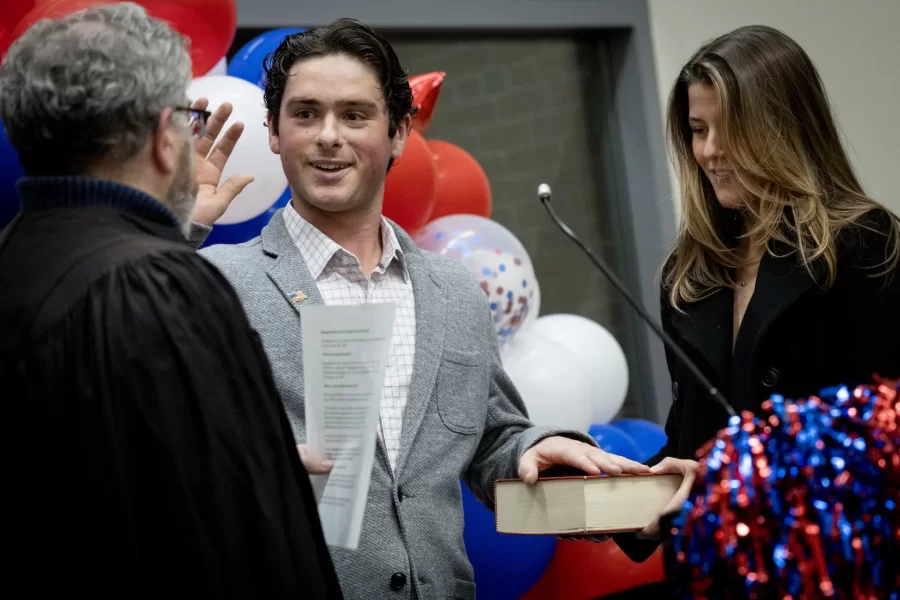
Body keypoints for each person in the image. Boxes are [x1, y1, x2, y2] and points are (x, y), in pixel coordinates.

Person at [190, 18, 649, 599]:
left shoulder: (453, 291)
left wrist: (531, 448)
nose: (329, 135)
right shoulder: (213, 282)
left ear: (399, 134)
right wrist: (175, 230)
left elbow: (490, 439)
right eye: (305, 114)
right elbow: (124, 410)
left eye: (355, 115)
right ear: (276, 133)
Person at [0, 5, 342, 598]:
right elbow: (220, 536)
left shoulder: (17, 261)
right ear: (164, 138)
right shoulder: (158, 289)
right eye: (187, 118)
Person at [613, 24, 900, 566]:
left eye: (732, 129)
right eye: (698, 130)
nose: (712, 151)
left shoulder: (862, 243)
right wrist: (619, 499)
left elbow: (879, 440)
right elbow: (694, 439)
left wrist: (726, 486)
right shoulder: (687, 274)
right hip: (717, 570)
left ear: (786, 129)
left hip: (829, 565)